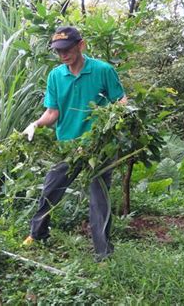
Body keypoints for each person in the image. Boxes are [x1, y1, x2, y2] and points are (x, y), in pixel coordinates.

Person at [22, 26, 127, 261]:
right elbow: (53, 112)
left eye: (67, 49)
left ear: (81, 45)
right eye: (58, 51)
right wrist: (36, 124)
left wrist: (106, 126)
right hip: (68, 147)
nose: (63, 55)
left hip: (99, 147)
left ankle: (103, 254)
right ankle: (37, 235)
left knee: (100, 200)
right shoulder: (56, 76)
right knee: (51, 189)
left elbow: (120, 101)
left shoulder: (103, 70)